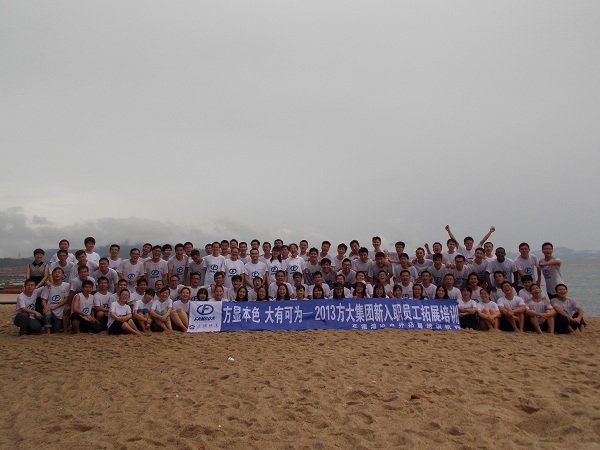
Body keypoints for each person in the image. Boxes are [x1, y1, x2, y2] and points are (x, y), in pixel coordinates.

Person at [40, 267, 70, 334]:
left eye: (59, 272)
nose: (57, 274)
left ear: (62, 275)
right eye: (55, 272)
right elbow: (43, 300)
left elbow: (66, 299)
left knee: (56, 330)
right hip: (50, 309)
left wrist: (55, 306)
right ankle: (47, 332)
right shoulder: (48, 286)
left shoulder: (66, 285)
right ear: (52, 275)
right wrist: (45, 307)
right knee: (47, 313)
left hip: (60, 309)